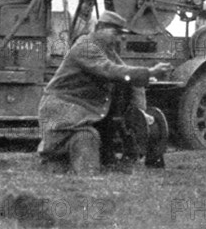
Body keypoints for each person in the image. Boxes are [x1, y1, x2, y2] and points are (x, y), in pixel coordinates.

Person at [37, 11, 174, 174]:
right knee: (86, 138)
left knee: (93, 140)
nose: (118, 39)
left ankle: (103, 159)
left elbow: (128, 76)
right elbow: (110, 70)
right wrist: (149, 72)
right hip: (63, 110)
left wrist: (142, 114)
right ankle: (59, 160)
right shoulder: (85, 45)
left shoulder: (107, 49)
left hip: (83, 111)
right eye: (115, 33)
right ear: (99, 28)